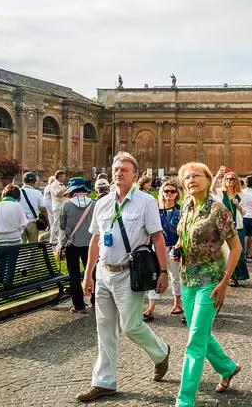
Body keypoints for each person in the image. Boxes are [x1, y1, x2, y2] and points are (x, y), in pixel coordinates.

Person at [77, 152, 170, 402]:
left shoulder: (146, 202)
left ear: (135, 175)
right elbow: (95, 240)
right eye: (116, 169)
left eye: (125, 170)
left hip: (130, 274)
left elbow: (158, 238)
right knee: (104, 328)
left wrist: (164, 272)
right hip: (104, 273)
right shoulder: (102, 203)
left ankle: (161, 352)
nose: (118, 173)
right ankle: (105, 381)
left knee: (131, 326)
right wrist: (88, 275)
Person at [172, 162, 243, 406]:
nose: (191, 180)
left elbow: (236, 248)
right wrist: (179, 247)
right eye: (187, 177)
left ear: (208, 179)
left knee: (194, 342)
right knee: (199, 333)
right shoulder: (186, 206)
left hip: (210, 282)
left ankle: (185, 401)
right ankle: (227, 367)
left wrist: (225, 282)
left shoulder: (219, 210)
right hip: (187, 279)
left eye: (197, 176)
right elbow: (186, 235)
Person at [143, 179, 183, 322]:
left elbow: (184, 231)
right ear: (162, 193)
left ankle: (177, 304)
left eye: (173, 191)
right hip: (157, 248)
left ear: (177, 194)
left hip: (175, 247)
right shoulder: (155, 210)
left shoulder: (180, 211)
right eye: (166, 191)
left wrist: (179, 247)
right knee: (156, 275)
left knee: (175, 277)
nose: (169, 194)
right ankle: (151, 308)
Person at [57, 177, 96, 314]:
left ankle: (79, 305)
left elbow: (62, 228)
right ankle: (95, 301)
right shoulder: (94, 204)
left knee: (73, 275)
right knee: (92, 272)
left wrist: (61, 246)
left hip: (72, 244)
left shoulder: (66, 206)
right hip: (91, 244)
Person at [0, 184, 28, 289]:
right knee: (10, 266)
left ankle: (2, 285)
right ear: (17, 196)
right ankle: (7, 287)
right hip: (13, 240)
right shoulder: (17, 206)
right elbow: (23, 223)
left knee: (2, 265)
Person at [216, 169, 250, 286]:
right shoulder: (221, 193)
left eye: (232, 179)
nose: (230, 181)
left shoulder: (241, 195)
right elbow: (210, 190)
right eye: (227, 179)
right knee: (226, 252)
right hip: (224, 227)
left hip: (238, 227)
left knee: (238, 251)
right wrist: (216, 176)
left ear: (236, 181)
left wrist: (237, 205)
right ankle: (229, 277)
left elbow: (244, 212)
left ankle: (237, 275)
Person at [19, 172, 48, 243]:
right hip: (32, 222)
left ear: (23, 181)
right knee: (33, 247)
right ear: (34, 182)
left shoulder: (17, 192)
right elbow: (43, 210)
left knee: (20, 246)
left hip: (19, 222)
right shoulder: (37, 193)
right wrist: (47, 221)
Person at [48, 170, 68, 245]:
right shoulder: (54, 185)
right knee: (57, 223)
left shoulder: (61, 185)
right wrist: (67, 188)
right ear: (60, 176)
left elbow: (64, 195)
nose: (65, 178)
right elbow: (59, 194)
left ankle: (60, 239)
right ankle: (53, 240)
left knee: (62, 223)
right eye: (63, 176)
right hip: (58, 205)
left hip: (63, 204)